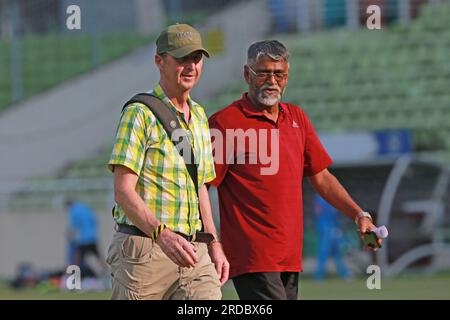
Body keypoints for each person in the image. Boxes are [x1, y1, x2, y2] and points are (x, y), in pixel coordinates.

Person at [208, 40, 381, 300]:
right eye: (263, 72)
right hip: (252, 257)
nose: (272, 81)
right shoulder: (224, 123)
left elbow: (322, 177)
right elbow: (200, 187)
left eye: (279, 74)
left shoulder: (297, 118)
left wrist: (359, 215)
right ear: (247, 74)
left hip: (289, 257)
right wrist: (211, 242)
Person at [106, 23, 229, 300]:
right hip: (145, 250)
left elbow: (200, 188)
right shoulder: (139, 114)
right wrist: (162, 235)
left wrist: (214, 244)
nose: (190, 66)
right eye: (181, 59)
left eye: (196, 59)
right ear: (159, 61)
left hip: (193, 250)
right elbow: (123, 191)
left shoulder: (198, 115)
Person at [65, 198, 107, 277]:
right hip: (92, 237)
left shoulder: (73, 211)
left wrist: (70, 237)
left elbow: (72, 226)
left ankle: (72, 277)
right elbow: (95, 221)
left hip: (83, 239)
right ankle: (108, 274)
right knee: (99, 258)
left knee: (76, 259)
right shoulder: (86, 208)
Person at [314, 194, 350, 281]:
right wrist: (322, 229)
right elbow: (317, 212)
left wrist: (337, 228)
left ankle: (345, 274)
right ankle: (318, 276)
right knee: (324, 253)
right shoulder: (321, 198)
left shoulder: (332, 197)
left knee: (336, 253)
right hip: (325, 229)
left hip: (332, 228)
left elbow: (335, 216)